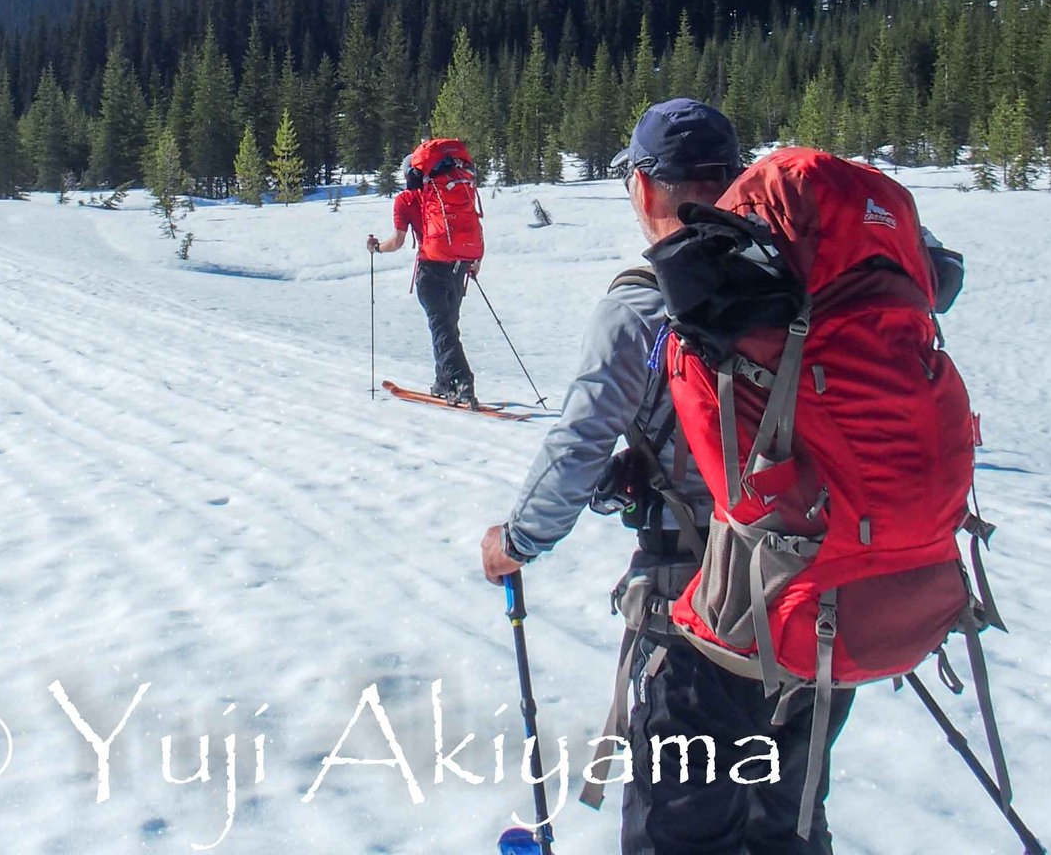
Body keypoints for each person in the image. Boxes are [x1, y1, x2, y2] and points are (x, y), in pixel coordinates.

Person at [480, 99, 964, 855]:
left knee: (682, 823)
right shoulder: (803, 286)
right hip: (825, 601)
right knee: (790, 817)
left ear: (644, 190)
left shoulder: (642, 307)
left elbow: (578, 441)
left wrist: (518, 539)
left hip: (706, 612)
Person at [368, 138, 483, 406]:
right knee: (447, 327)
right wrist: (474, 260)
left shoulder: (406, 200)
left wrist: (377, 249)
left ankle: (460, 381)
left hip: (431, 269)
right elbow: (474, 224)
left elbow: (397, 241)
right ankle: (443, 381)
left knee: (441, 328)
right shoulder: (451, 192)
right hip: (459, 268)